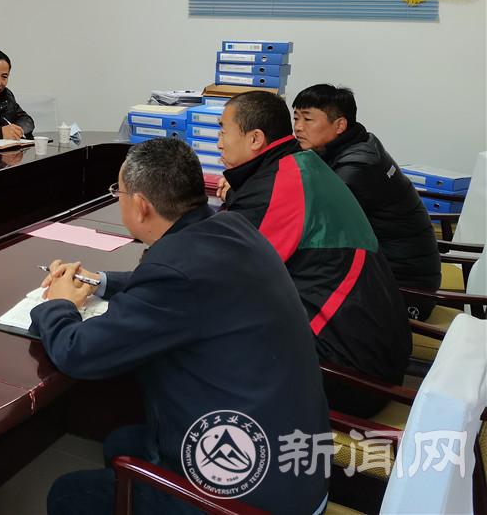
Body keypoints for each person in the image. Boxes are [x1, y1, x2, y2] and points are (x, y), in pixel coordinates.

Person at [32, 139, 328, 515]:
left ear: (141, 205)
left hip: (250, 497)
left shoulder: (175, 273)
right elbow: (182, 282)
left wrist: (58, 304)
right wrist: (100, 281)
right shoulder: (230, 226)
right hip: (295, 466)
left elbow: (78, 352)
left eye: (118, 193)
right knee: (122, 442)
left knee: (68, 494)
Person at [216, 91, 411, 417]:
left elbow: (225, 275)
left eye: (223, 130)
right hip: (374, 353)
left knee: (203, 341)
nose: (218, 142)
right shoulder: (298, 166)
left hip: (348, 372)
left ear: (255, 139)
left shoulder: (280, 185)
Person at [292, 84, 441, 319]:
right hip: (384, 269)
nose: (298, 127)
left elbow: (314, 222)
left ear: (340, 125)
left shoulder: (358, 167)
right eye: (296, 118)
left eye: (307, 119)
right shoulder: (354, 143)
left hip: (403, 288)